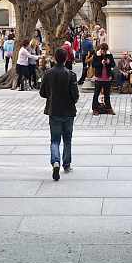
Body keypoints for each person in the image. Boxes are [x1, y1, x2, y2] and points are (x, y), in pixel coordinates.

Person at [40, 47, 80, 180]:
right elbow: (75, 95)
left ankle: (55, 161)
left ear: (55, 58)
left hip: (54, 110)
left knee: (55, 140)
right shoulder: (71, 75)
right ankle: (66, 163)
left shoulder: (48, 73)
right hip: (68, 111)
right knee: (67, 139)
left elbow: (42, 93)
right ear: (66, 58)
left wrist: (51, 96)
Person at [91, 43, 116, 115]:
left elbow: (113, 64)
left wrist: (109, 62)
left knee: (107, 94)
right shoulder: (97, 54)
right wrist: (100, 63)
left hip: (107, 77)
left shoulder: (109, 55)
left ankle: (108, 108)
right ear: (100, 49)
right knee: (96, 94)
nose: (103, 52)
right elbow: (93, 64)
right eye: (102, 51)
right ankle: (95, 109)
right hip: (99, 77)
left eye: (105, 51)